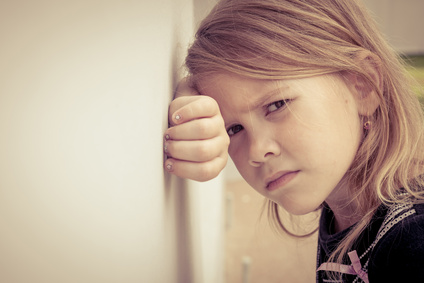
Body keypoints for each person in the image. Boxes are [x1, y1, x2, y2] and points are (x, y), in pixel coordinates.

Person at [164, 0, 424, 282]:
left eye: (277, 105)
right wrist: (188, 94)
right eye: (234, 128)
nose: (257, 151)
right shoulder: (347, 207)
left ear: (362, 84)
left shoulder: (413, 240)